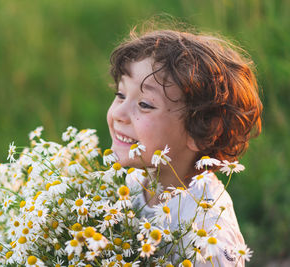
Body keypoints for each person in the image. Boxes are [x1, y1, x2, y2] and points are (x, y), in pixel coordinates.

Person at [106, 25, 262, 266]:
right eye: (120, 95)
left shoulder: (209, 237)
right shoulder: (132, 186)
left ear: (202, 131)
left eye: (145, 104)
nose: (119, 113)